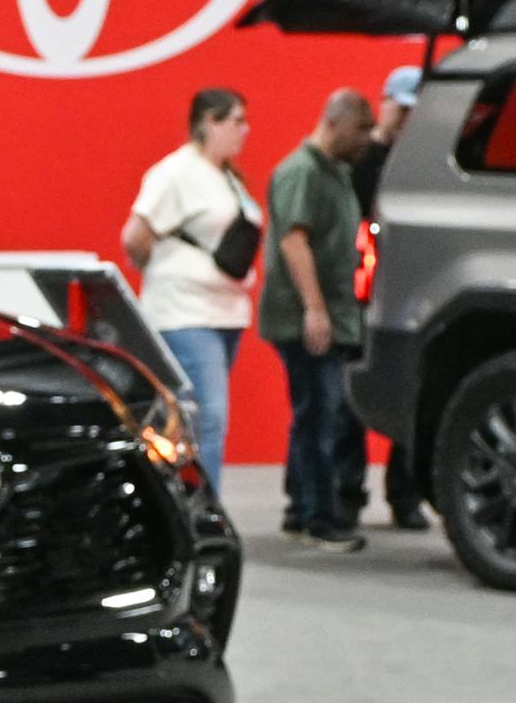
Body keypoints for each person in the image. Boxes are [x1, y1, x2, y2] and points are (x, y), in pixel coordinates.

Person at [121, 87, 258, 478]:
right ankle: (201, 510)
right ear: (208, 123)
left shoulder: (226, 176)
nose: (245, 130)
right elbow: (135, 236)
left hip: (224, 312)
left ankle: (193, 501)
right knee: (206, 417)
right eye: (236, 121)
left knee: (200, 418)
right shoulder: (174, 174)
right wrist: (164, 272)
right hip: (185, 312)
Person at [261, 88, 376, 550]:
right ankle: (319, 518)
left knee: (313, 413)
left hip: (331, 314)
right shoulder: (302, 172)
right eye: (360, 129)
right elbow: (293, 241)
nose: (367, 138)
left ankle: (300, 510)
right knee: (321, 415)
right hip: (307, 318)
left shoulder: (335, 173)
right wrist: (314, 309)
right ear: (334, 122)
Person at [342, 65, 427, 528]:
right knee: (347, 399)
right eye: (403, 109)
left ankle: (405, 494)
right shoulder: (362, 158)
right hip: (362, 290)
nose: (408, 120)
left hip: (407, 291)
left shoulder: (423, 161)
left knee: (412, 390)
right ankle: (347, 493)